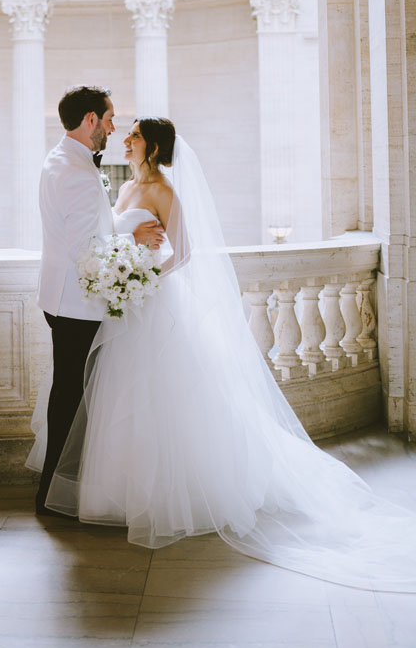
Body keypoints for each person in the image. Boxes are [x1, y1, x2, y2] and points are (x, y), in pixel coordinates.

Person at [37, 116, 416, 592]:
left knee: (162, 398)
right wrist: (126, 251)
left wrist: (143, 276)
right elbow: (115, 236)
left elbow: (186, 252)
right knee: (123, 400)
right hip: (126, 306)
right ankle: (121, 493)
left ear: (151, 146)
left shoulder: (164, 190)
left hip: (153, 302)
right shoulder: (127, 185)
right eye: (125, 131)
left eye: (133, 135)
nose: (125, 140)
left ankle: (170, 496)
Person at [34, 86, 164, 516]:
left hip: (61, 297)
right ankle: (55, 495)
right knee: (73, 401)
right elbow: (85, 247)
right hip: (76, 303)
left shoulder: (61, 159)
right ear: (90, 119)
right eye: (109, 119)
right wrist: (132, 234)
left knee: (69, 395)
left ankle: (58, 488)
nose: (113, 129)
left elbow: (94, 225)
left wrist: (126, 226)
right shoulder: (76, 172)